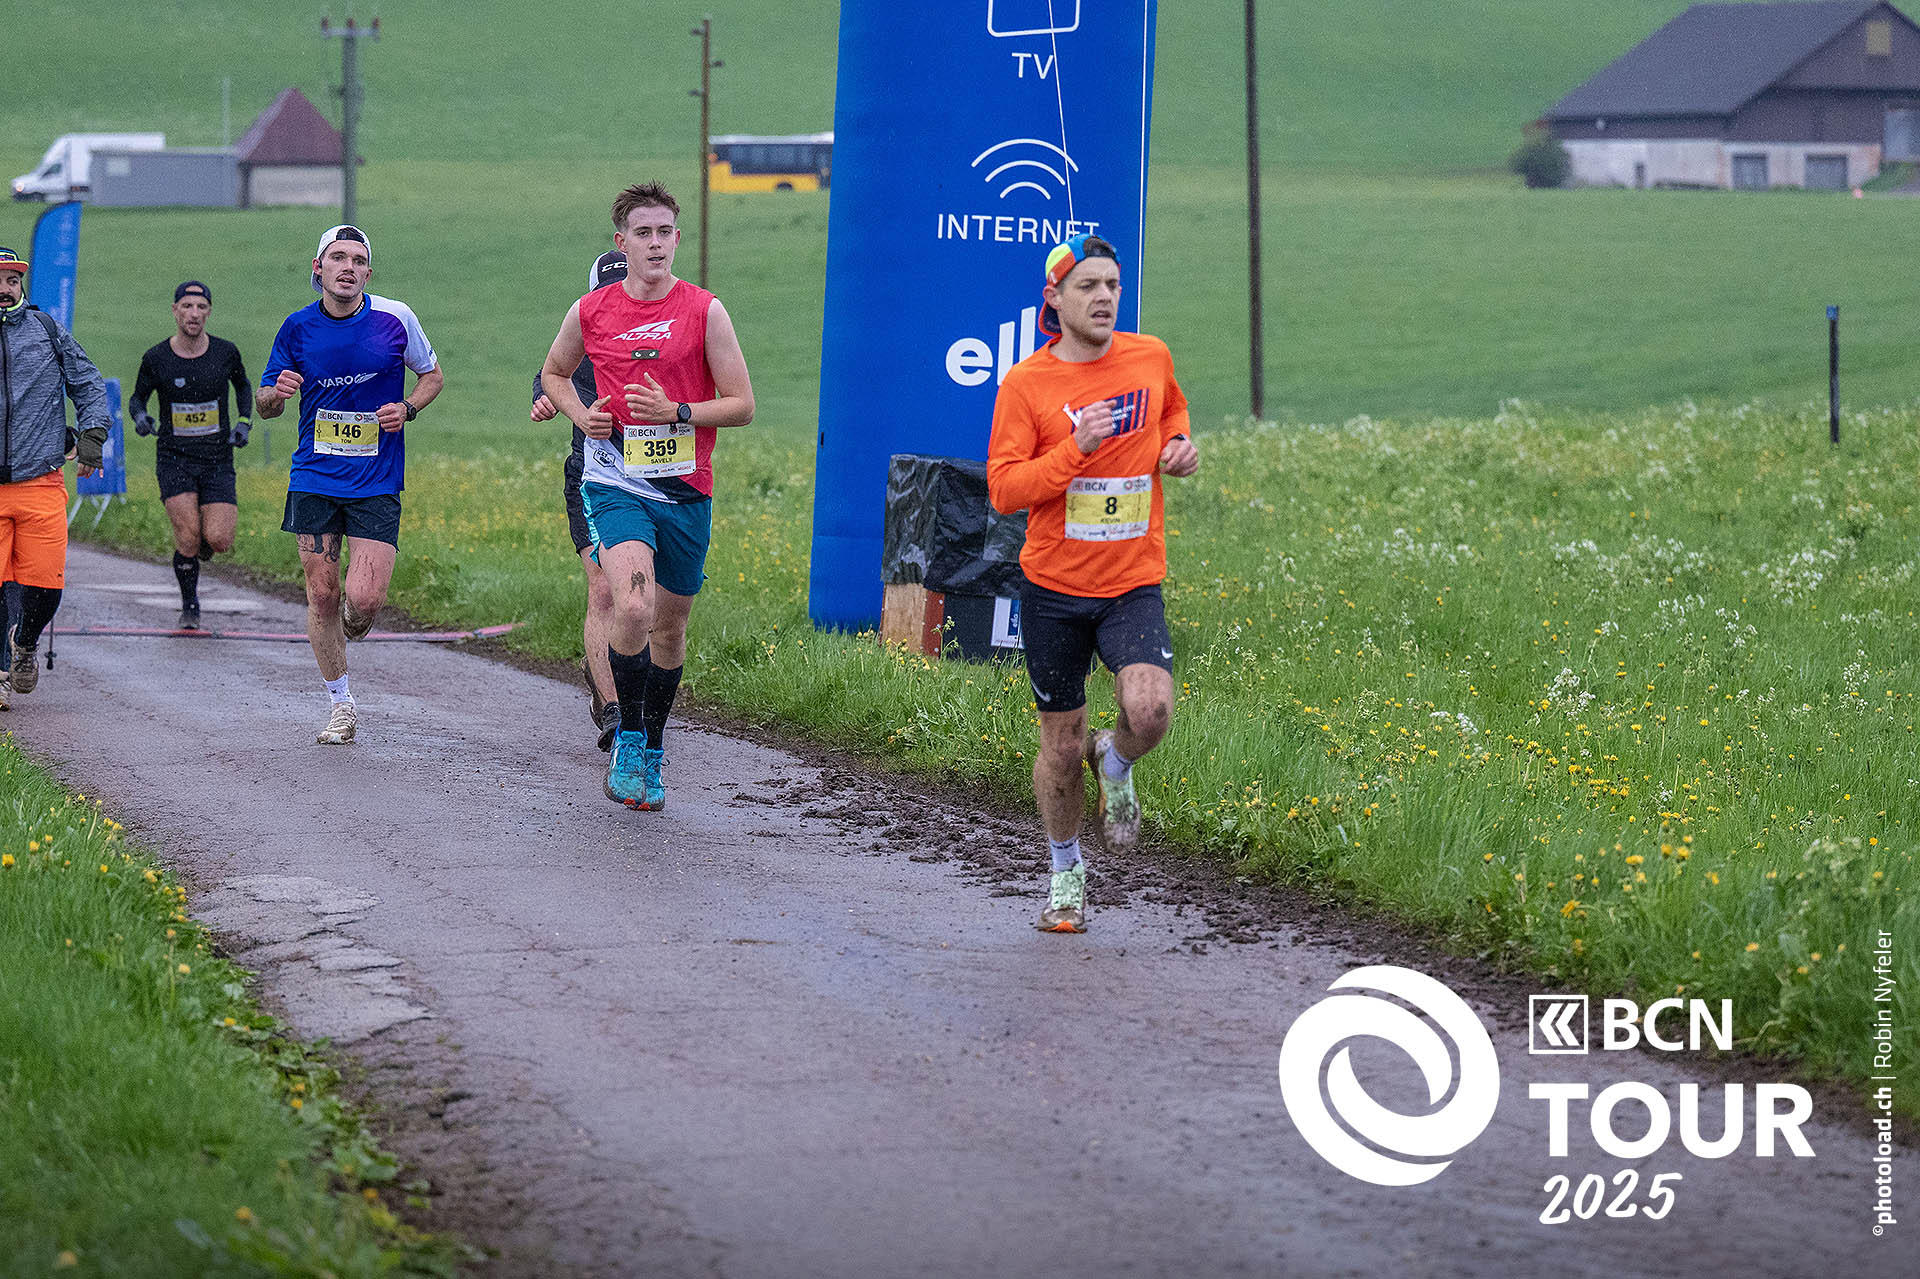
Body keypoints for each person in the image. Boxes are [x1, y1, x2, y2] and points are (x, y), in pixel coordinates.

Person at [986, 234, 1200, 933]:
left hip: (1131, 579)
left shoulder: (1150, 355)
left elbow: (1172, 411)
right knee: (1060, 745)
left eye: (1112, 285)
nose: (1105, 297)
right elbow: (1004, 490)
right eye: (1088, 286)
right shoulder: (1027, 384)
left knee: (1151, 711)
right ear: (1054, 298)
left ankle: (1116, 762)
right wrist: (1074, 452)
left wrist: (1177, 446)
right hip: (1053, 588)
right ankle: (1066, 875)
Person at [539, 183, 755, 809]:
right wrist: (580, 414)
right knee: (631, 606)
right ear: (622, 243)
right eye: (643, 233)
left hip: (685, 489)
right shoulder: (590, 311)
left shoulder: (706, 311)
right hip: (616, 481)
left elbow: (742, 405)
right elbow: (554, 372)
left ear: (677, 239)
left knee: (670, 626)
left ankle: (654, 745)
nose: (656, 244)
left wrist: (677, 411)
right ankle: (628, 738)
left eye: (665, 233)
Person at [256, 225, 444, 745]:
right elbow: (265, 404)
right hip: (314, 476)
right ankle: (341, 704)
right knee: (321, 594)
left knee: (364, 602)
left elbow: (432, 376)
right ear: (318, 268)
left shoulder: (396, 318)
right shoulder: (297, 327)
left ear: (368, 273)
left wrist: (407, 408)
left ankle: (346, 623)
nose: (348, 268)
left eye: (358, 261)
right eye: (338, 258)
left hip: (376, 479)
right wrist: (277, 394)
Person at [0, 245, 110, 709]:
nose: (6, 289)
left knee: (45, 586)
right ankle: (1, 674)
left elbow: (87, 382)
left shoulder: (45, 329)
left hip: (40, 480)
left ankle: (24, 642)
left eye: (12, 280)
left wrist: (93, 436)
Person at [531, 250, 627, 752]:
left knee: (647, 600)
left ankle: (622, 685)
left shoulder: (664, 335)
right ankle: (614, 711)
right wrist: (545, 400)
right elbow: (548, 374)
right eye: (604, 293)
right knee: (604, 590)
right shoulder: (585, 335)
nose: (615, 301)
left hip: (659, 479)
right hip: (592, 477)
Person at [130, 280, 253, 629]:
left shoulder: (225, 352)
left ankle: (203, 543)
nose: (194, 314)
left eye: (201, 307)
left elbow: (243, 386)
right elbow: (137, 398)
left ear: (209, 312)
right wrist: (141, 418)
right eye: (187, 307)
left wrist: (244, 423)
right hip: (174, 458)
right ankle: (190, 606)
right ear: (175, 311)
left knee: (219, 539)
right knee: (187, 535)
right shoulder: (156, 358)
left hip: (217, 458)